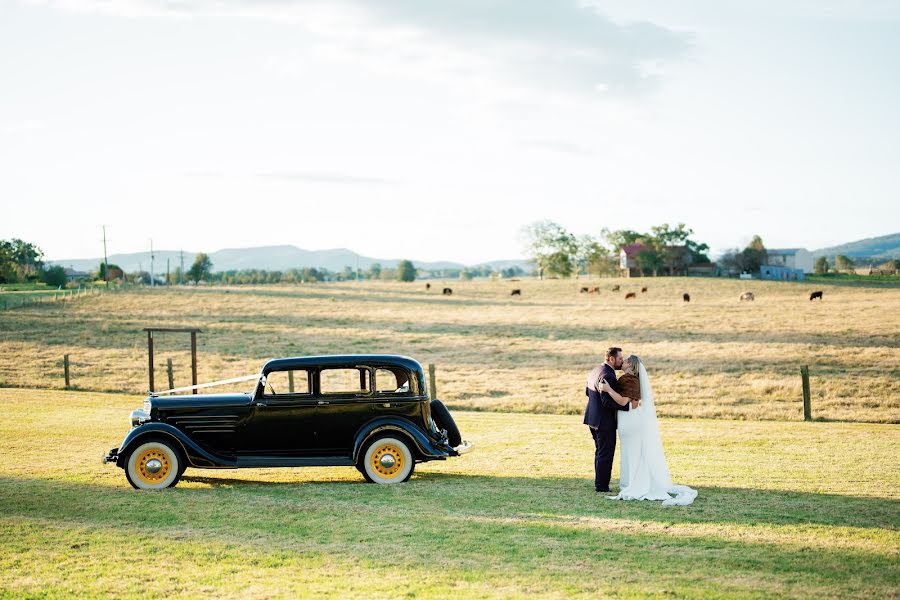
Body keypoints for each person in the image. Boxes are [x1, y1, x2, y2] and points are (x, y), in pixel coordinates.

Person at [599, 355, 697, 506]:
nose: (622, 362)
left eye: (625, 361)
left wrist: (608, 389)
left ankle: (632, 483)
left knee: (631, 452)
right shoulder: (632, 379)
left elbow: (625, 402)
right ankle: (631, 482)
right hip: (630, 419)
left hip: (629, 420)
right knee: (633, 452)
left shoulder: (628, 379)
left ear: (631, 365)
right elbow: (634, 402)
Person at [584, 347, 638, 493]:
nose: (622, 361)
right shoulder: (608, 375)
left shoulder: (596, 370)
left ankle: (599, 482)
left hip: (592, 418)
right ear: (612, 359)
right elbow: (607, 402)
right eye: (620, 358)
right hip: (604, 421)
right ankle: (601, 486)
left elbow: (587, 392)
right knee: (606, 453)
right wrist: (627, 406)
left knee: (600, 452)